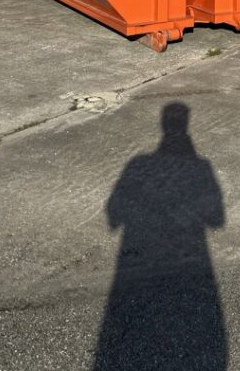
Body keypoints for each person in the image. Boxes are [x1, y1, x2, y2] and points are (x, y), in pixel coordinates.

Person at [93, 102, 227, 370]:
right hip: (191, 255)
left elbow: (113, 213)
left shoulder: (138, 163)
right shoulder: (201, 166)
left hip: (139, 255)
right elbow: (217, 220)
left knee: (131, 324)